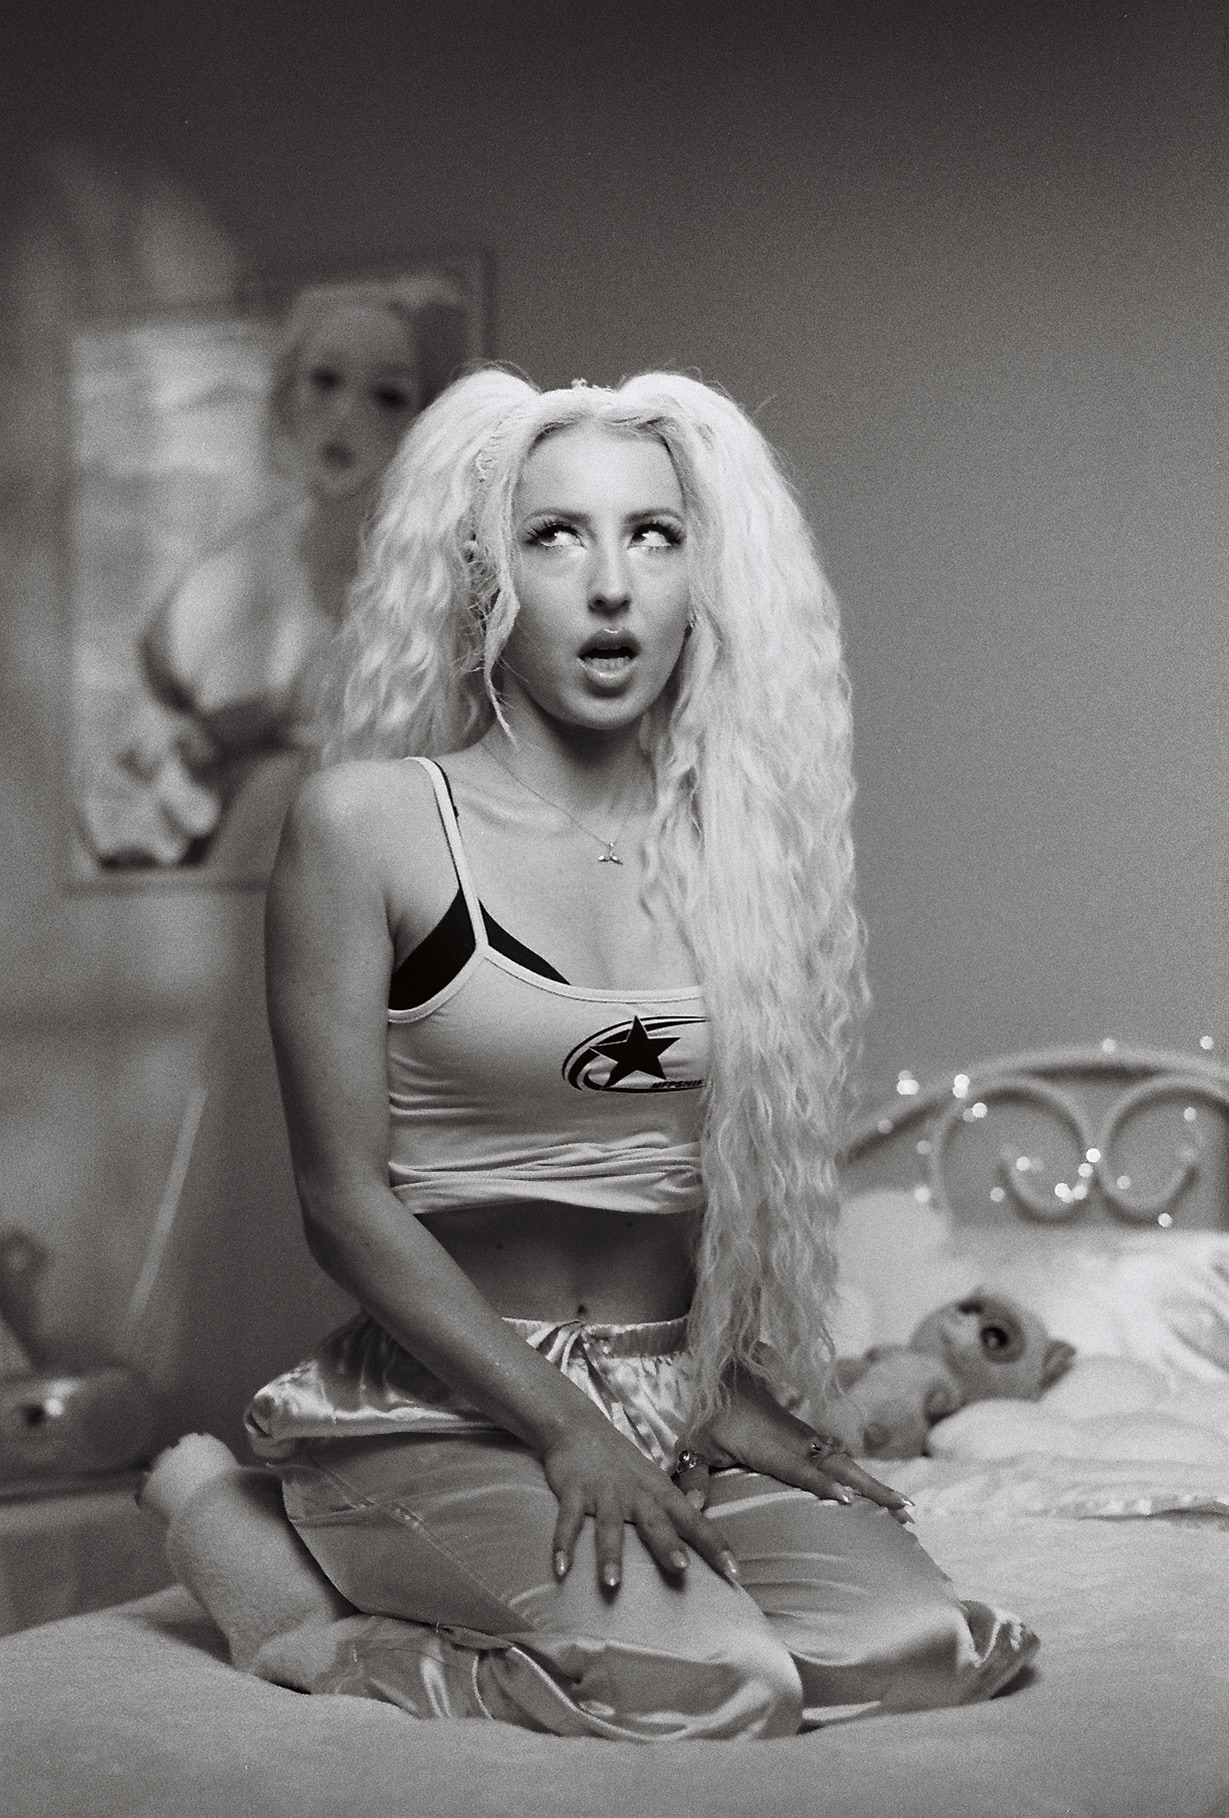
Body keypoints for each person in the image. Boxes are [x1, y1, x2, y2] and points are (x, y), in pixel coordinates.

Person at [152, 368, 1037, 1740]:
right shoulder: (368, 824)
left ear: (699, 578)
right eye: (556, 534)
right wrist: (567, 1426)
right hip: (446, 1401)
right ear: (481, 575)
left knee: (928, 1649)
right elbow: (340, 1199)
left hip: (668, 1383)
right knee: (721, 1684)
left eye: (653, 535)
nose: (611, 585)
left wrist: (717, 1387)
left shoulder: (738, 855)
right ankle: (294, 1611)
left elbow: (710, 1176)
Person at [78, 275, 470, 872]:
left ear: (425, 421)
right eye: (325, 380)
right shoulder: (235, 554)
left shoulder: (421, 591)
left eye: (388, 396)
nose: (345, 415)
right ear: (287, 396)